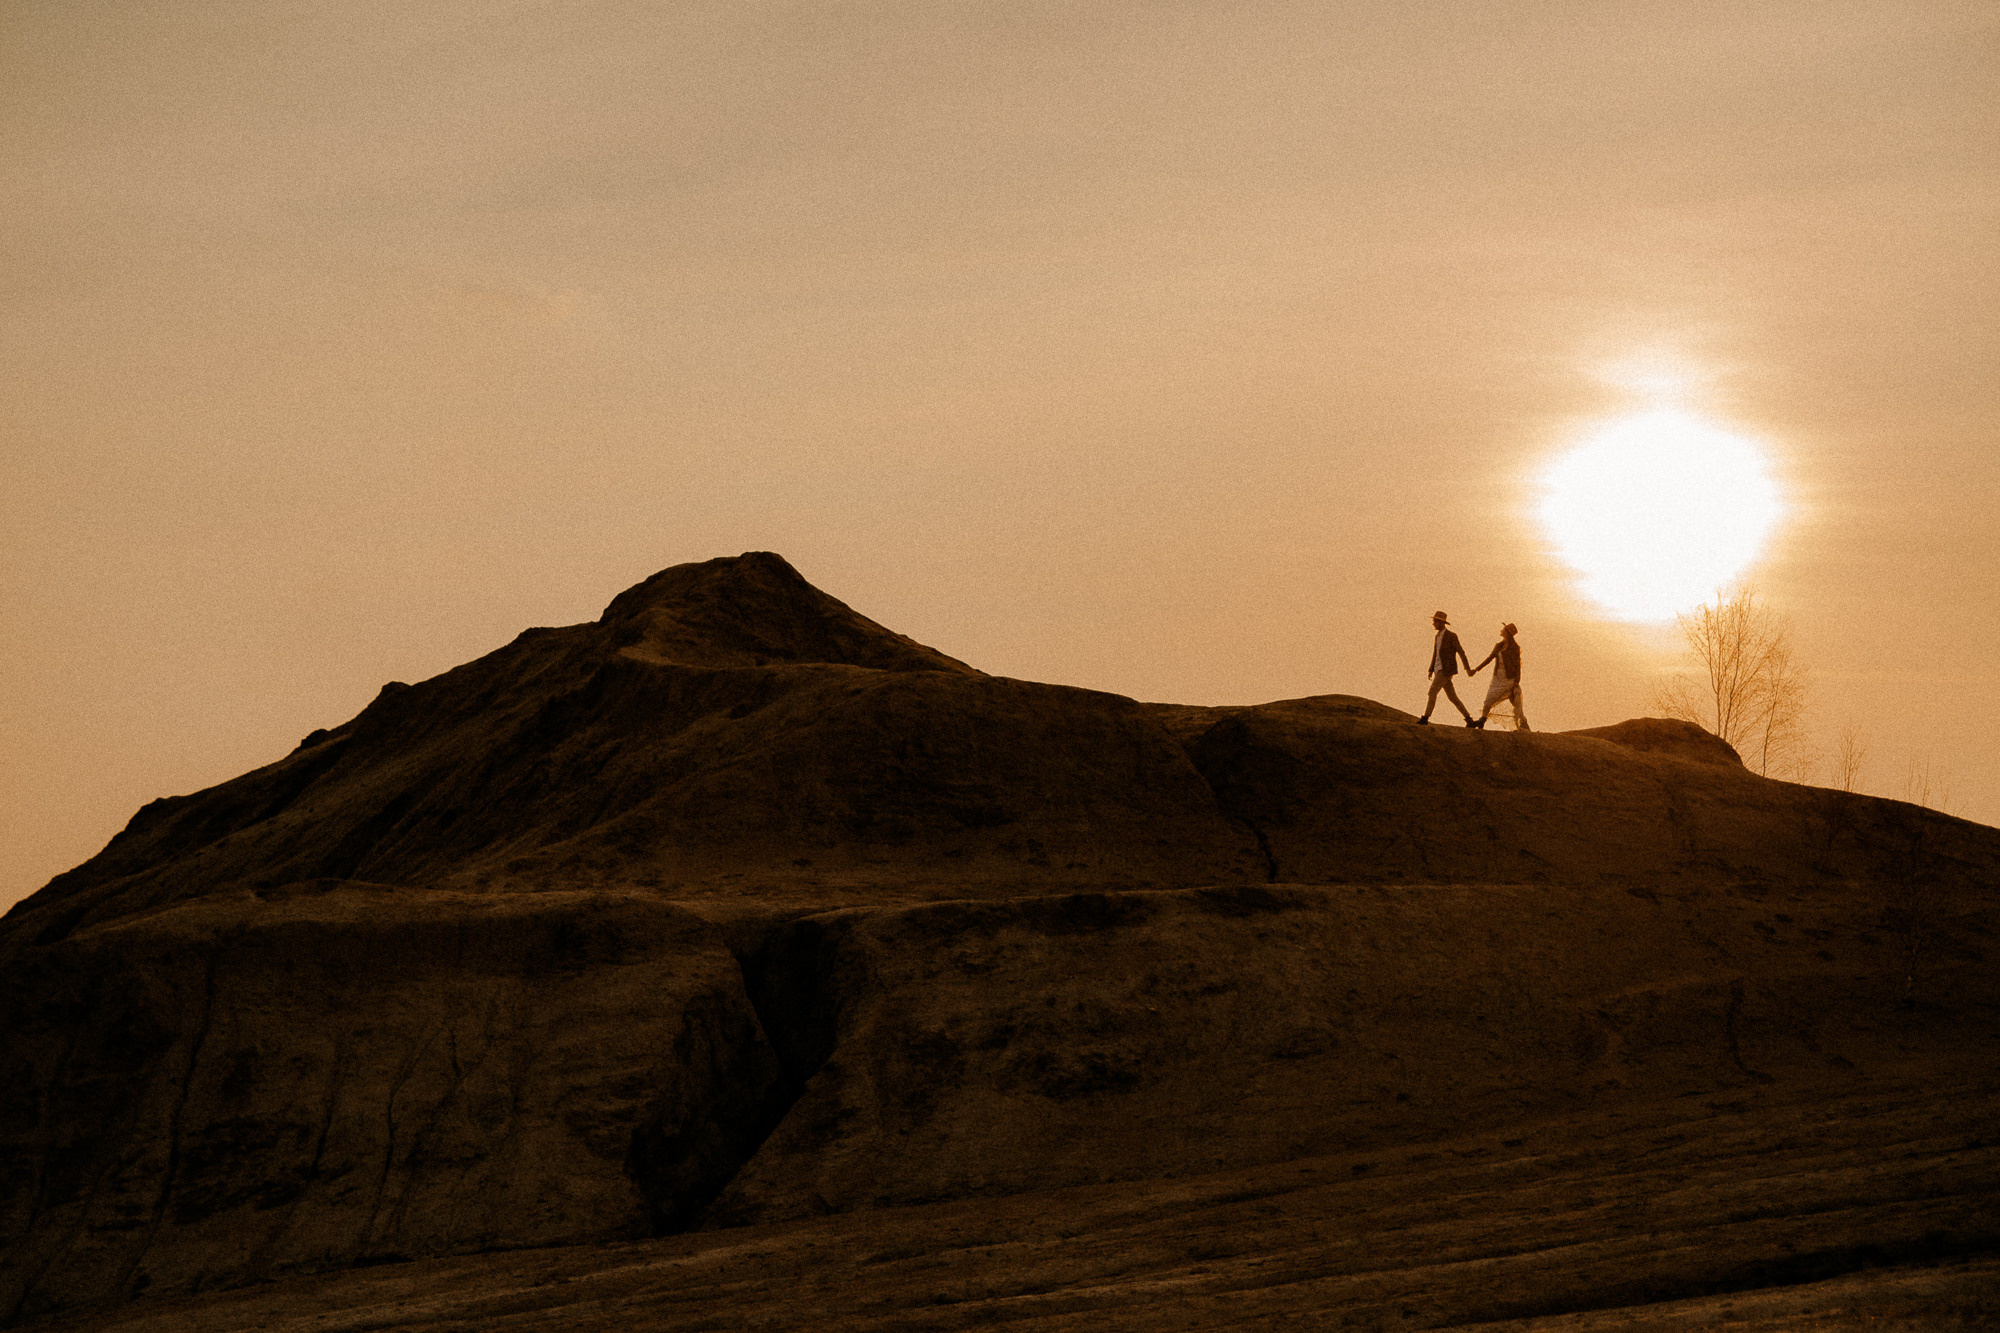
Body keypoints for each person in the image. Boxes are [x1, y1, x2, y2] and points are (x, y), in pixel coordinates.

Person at [1418, 611, 1477, 726]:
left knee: (1432, 692)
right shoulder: (1437, 636)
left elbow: (1461, 652)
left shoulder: (1451, 636)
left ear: (1441, 622)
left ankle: (1425, 718)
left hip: (1445, 670)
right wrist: (1431, 669)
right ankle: (1469, 719)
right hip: (1438, 669)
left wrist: (1467, 668)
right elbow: (1435, 653)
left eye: (1435, 621)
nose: (1433, 623)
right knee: (1453, 697)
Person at [1470, 622, 1530, 731]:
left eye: (1503, 629)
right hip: (1497, 678)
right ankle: (1482, 720)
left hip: (1509, 679)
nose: (1501, 631)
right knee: (1489, 700)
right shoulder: (1499, 646)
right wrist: (1476, 669)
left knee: (1516, 704)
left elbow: (1517, 665)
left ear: (1507, 633)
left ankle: (1524, 724)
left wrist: (1517, 680)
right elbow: (1489, 658)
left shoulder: (1515, 647)